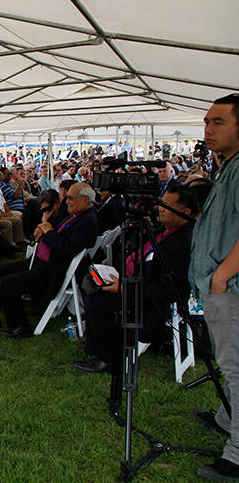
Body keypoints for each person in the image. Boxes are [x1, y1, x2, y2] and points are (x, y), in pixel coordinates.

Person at [73, 186, 197, 373]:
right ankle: (98, 343)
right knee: (91, 284)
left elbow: (166, 289)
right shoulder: (164, 229)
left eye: (166, 206)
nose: (159, 208)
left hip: (149, 301)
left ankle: (109, 359)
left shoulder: (183, 241)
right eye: (160, 203)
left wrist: (125, 288)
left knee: (98, 301)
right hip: (130, 280)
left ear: (185, 212)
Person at [0, 183, 99, 339]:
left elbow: (66, 248)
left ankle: (20, 327)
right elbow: (54, 231)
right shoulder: (76, 215)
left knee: (6, 283)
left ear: (85, 200)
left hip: (49, 270)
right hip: (40, 261)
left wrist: (48, 231)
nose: (66, 201)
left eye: (70, 198)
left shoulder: (87, 222)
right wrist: (44, 226)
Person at [190, 93, 239, 482]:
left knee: (236, 367)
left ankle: (237, 454)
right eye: (207, 121)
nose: (208, 129)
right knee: (229, 361)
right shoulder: (228, 167)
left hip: (231, 286)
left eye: (219, 121)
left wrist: (222, 276)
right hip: (221, 284)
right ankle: (226, 417)